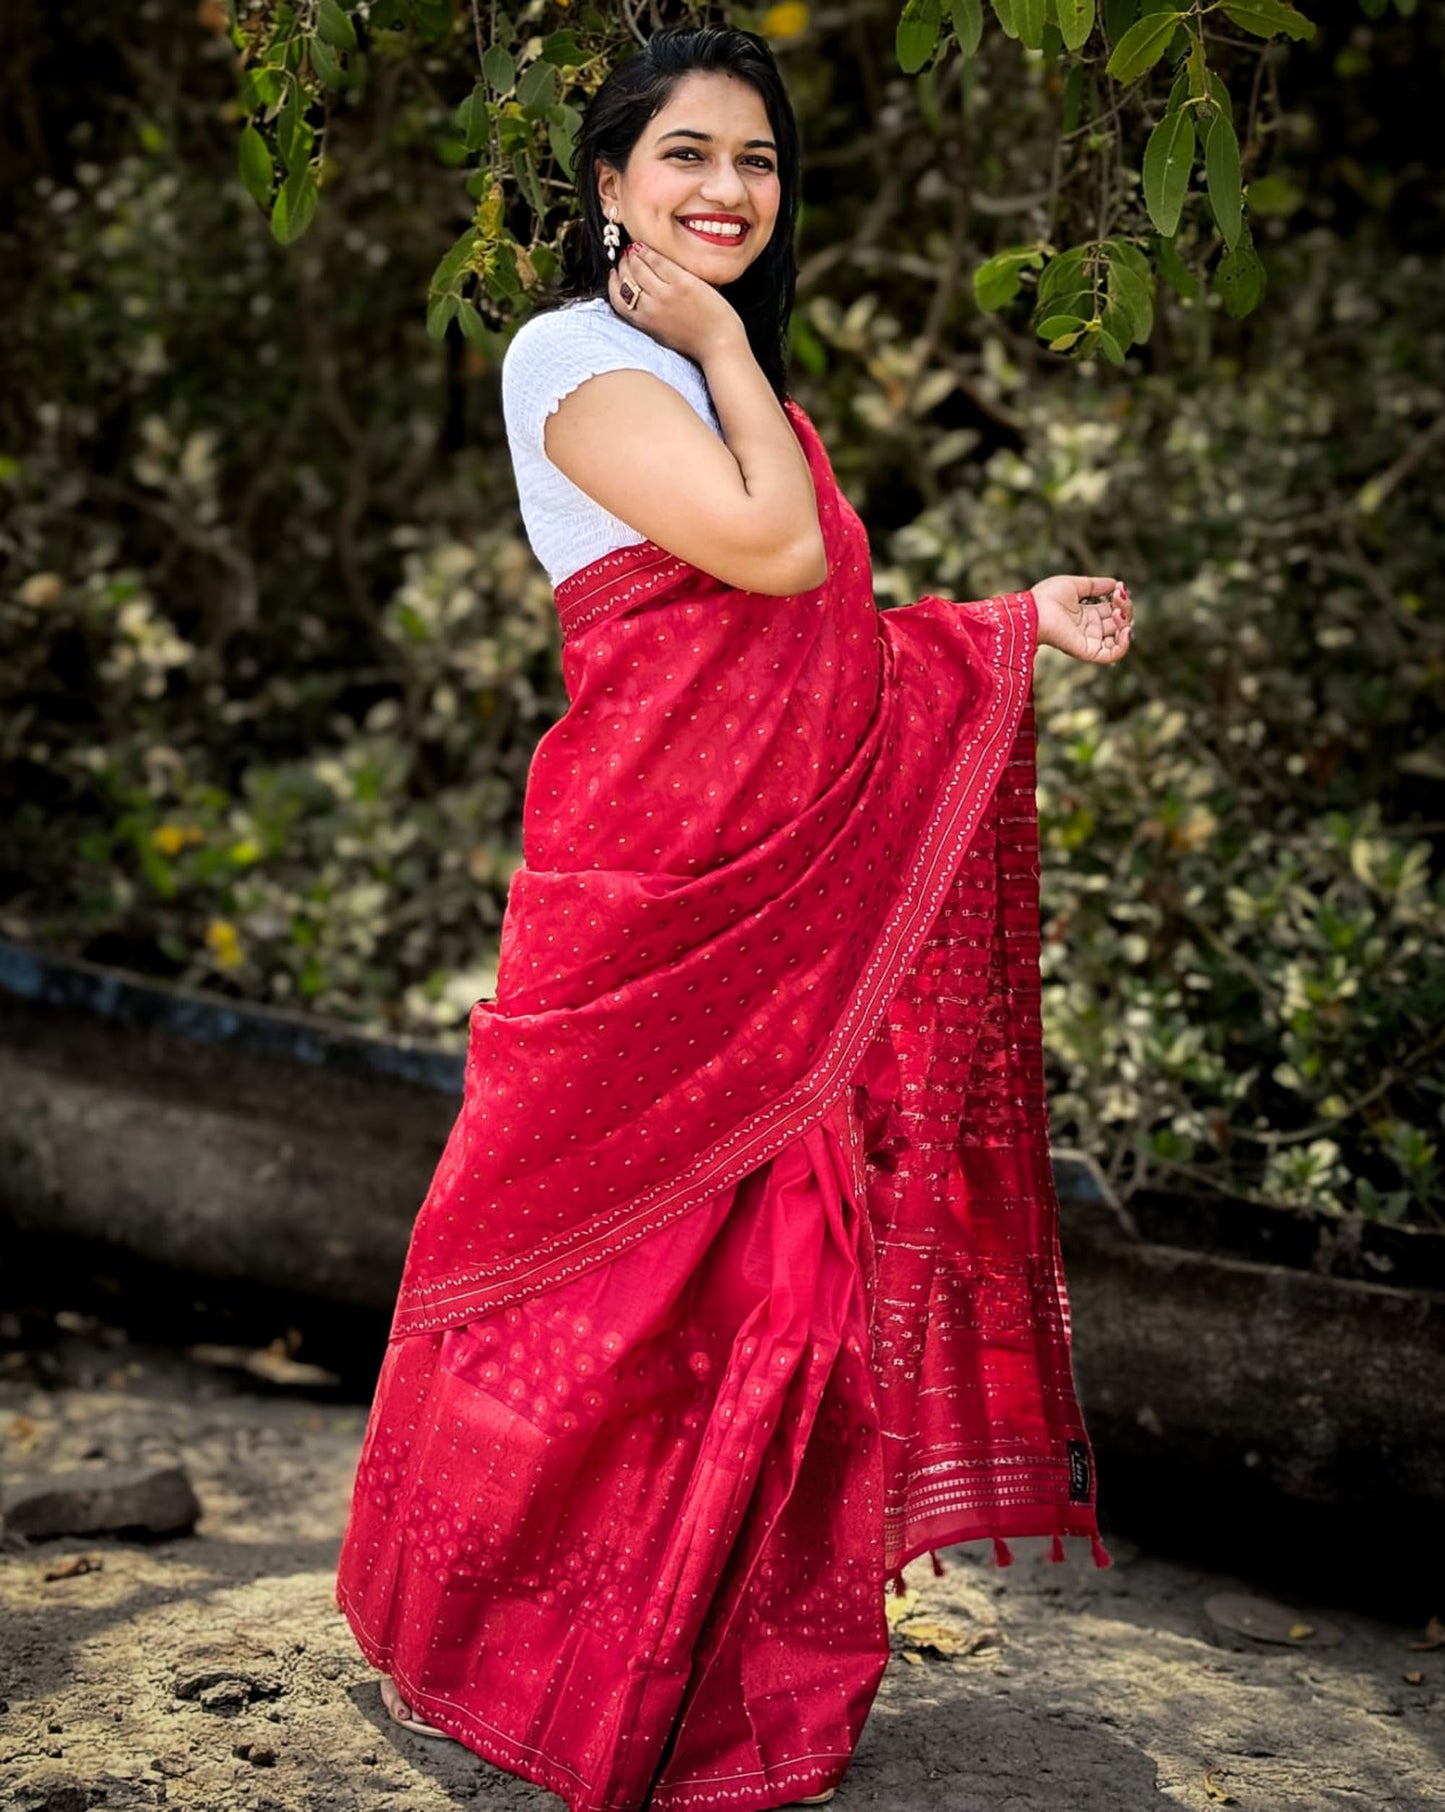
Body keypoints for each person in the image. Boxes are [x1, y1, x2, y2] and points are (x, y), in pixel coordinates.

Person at [334, 23, 1132, 1812]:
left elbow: (811, 643)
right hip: (645, 902)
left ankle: (704, 1668)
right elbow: (766, 559)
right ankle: (492, 1645)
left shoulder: (734, 383)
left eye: (756, 163)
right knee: (577, 1283)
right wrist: (704, 337)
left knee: (776, 1300)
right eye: (684, 155)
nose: (725, 192)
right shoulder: (574, 354)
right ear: (609, 184)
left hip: (775, 919)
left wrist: (1000, 624)